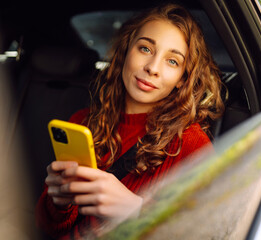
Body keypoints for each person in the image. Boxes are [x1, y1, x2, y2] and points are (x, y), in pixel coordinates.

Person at [36, 3, 224, 239]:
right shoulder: (81, 122)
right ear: (126, 51)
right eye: (145, 49)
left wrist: (136, 211)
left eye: (172, 61)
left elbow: (206, 232)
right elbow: (48, 227)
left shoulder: (191, 145)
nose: (152, 68)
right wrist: (60, 202)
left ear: (182, 79)